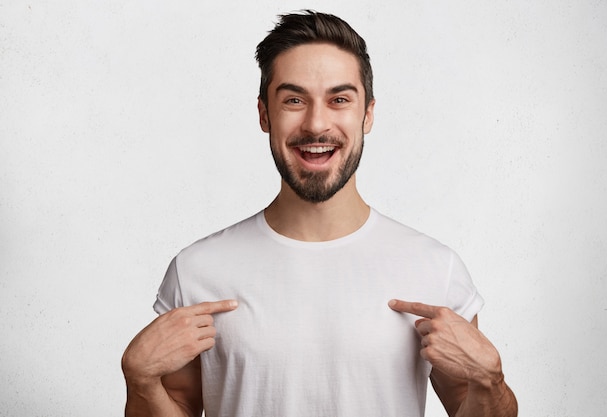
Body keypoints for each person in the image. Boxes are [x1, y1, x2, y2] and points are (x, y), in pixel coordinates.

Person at [121, 10, 518, 417]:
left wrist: (492, 381)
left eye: (339, 99)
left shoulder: (435, 268)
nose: (316, 123)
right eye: (294, 100)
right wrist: (140, 380)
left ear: (367, 114)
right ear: (264, 114)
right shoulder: (198, 271)